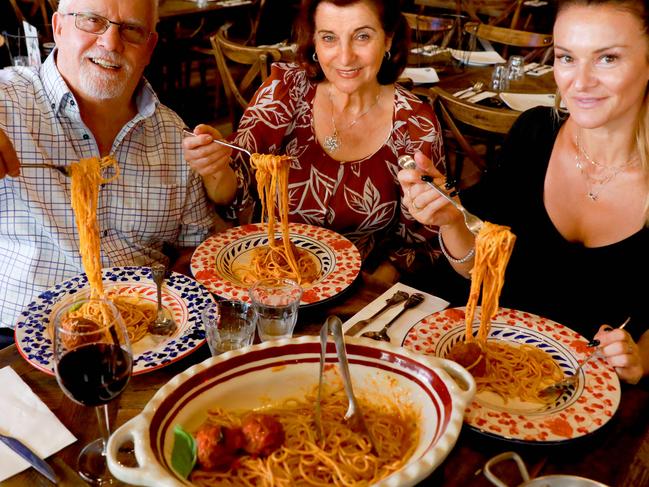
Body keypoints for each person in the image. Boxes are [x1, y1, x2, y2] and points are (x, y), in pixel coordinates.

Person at [398, 0, 649, 384]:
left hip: (573, 390)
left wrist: (642, 359)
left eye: (607, 59)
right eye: (566, 58)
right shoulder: (534, 134)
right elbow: (475, 268)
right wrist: (450, 220)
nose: (579, 82)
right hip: (474, 361)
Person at [0, 0, 226, 335]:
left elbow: (194, 247)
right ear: (59, 28)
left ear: (149, 47)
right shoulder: (6, 101)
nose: (110, 43)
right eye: (92, 21)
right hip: (18, 342)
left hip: (147, 338)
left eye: (131, 30)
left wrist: (175, 304)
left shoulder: (173, 136)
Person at [183, 0, 448, 284]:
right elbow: (231, 195)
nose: (345, 57)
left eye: (362, 36)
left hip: (360, 290)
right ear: (314, 42)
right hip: (265, 279)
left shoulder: (416, 124)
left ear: (388, 40)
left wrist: (370, 292)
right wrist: (215, 167)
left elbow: (423, 239)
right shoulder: (284, 92)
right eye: (329, 38)